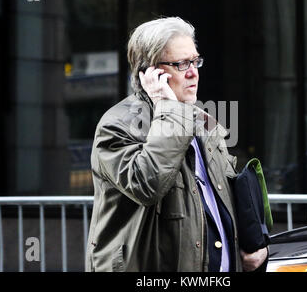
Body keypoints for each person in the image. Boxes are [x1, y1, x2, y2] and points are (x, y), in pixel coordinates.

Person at [85, 16, 268, 272]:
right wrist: (167, 107)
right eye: (181, 64)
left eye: (195, 61)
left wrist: (256, 246)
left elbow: (224, 198)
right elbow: (147, 184)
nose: (193, 72)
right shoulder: (118, 124)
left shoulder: (205, 123)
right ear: (151, 72)